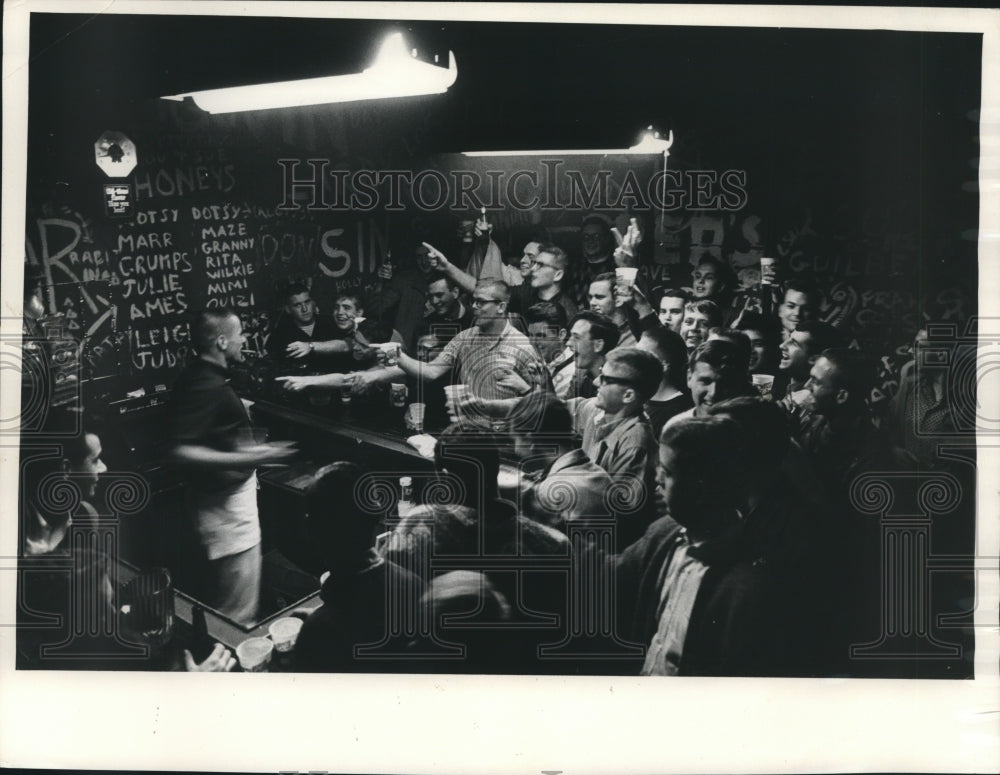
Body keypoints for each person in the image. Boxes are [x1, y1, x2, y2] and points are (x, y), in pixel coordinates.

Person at [613, 416, 785, 676]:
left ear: (704, 487)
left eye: (668, 472)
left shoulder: (749, 587)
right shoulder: (664, 533)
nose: (656, 479)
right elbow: (611, 574)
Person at [165, 308, 296, 626]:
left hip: (220, 508)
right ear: (222, 341)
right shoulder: (207, 385)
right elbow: (182, 451)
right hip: (228, 516)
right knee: (238, 614)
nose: (245, 339)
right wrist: (254, 456)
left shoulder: (199, 375)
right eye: (240, 333)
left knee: (231, 603)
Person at [292, 462, 425, 673]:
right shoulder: (415, 585)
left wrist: (317, 624)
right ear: (376, 517)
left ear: (311, 529)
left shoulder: (319, 631)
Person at [351, 280, 545, 423]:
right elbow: (430, 371)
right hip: (467, 432)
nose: (474, 307)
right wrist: (398, 355)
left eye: (481, 302)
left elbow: (541, 404)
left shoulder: (522, 346)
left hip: (503, 438)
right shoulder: (465, 337)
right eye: (473, 301)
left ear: (501, 306)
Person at [566, 347, 663, 549]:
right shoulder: (596, 411)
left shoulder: (636, 443)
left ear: (628, 395)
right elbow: (553, 409)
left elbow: (617, 517)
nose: (595, 382)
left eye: (605, 379)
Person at [514, 394, 614, 528]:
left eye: (515, 439)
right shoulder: (600, 474)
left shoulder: (549, 492)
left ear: (530, 440)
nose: (515, 448)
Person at [664, 338, 754, 428]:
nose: (713, 393)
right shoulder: (675, 427)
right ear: (689, 378)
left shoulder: (752, 431)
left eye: (725, 383)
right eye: (705, 381)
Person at [266, 282, 350, 371]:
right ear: (288, 309)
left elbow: (351, 346)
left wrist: (311, 346)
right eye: (298, 305)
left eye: (307, 302)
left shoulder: (333, 322)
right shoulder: (279, 335)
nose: (304, 309)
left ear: (313, 302)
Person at [635, 327, 694, 438]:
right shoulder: (639, 400)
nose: (632, 360)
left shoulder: (680, 411)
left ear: (663, 366)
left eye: (641, 356)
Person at [774, 320, 843, 403]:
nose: (782, 346)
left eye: (794, 343)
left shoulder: (813, 402)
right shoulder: (778, 385)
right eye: (788, 338)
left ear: (815, 359)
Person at [564, 311, 619, 400]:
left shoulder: (616, 386)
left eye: (576, 337)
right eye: (570, 336)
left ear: (598, 345)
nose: (568, 343)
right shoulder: (580, 376)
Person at [524, 302, 575, 398]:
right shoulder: (542, 364)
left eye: (541, 336)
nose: (533, 342)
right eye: (530, 335)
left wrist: (524, 389)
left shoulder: (572, 373)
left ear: (561, 335)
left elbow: (552, 410)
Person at [417, 274, 474, 345]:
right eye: (430, 297)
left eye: (439, 295)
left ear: (455, 292)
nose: (434, 301)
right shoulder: (427, 325)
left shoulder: (475, 319)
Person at [588, 272, 636, 348]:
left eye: (599, 297)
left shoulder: (634, 337)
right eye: (591, 297)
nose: (592, 303)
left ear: (618, 300)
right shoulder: (591, 334)